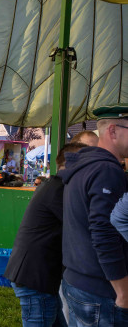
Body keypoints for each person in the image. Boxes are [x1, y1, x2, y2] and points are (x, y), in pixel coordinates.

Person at [4, 143, 87, 327]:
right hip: (36, 278)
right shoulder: (59, 189)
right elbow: (82, 227)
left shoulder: (54, 185)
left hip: (39, 277)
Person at [60, 105, 128, 326]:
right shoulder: (106, 170)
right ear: (112, 131)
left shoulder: (84, 166)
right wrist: (123, 290)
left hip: (77, 281)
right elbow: (103, 231)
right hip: (99, 290)